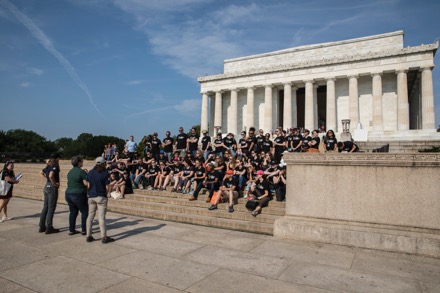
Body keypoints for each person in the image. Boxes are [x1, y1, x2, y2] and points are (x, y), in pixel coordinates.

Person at [85, 156, 114, 244]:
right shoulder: (105, 173)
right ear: (103, 164)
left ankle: (88, 235)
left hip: (91, 196)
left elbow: (87, 183)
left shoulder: (90, 172)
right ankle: (104, 237)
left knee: (90, 216)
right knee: (101, 217)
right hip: (101, 196)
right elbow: (107, 186)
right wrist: (108, 193)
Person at [65, 156, 88, 235]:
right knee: (84, 212)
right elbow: (86, 183)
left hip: (68, 193)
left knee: (73, 212)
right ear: (79, 163)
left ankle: (72, 229)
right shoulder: (81, 172)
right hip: (78, 194)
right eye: (81, 161)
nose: (82, 163)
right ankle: (84, 230)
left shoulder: (70, 172)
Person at [39, 153, 61, 234]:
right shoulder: (55, 166)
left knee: (45, 207)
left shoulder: (48, 165)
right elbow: (51, 175)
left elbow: (41, 172)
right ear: (57, 158)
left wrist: (47, 179)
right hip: (52, 187)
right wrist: (54, 184)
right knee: (51, 208)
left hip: (47, 186)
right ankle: (49, 227)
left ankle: (41, 226)